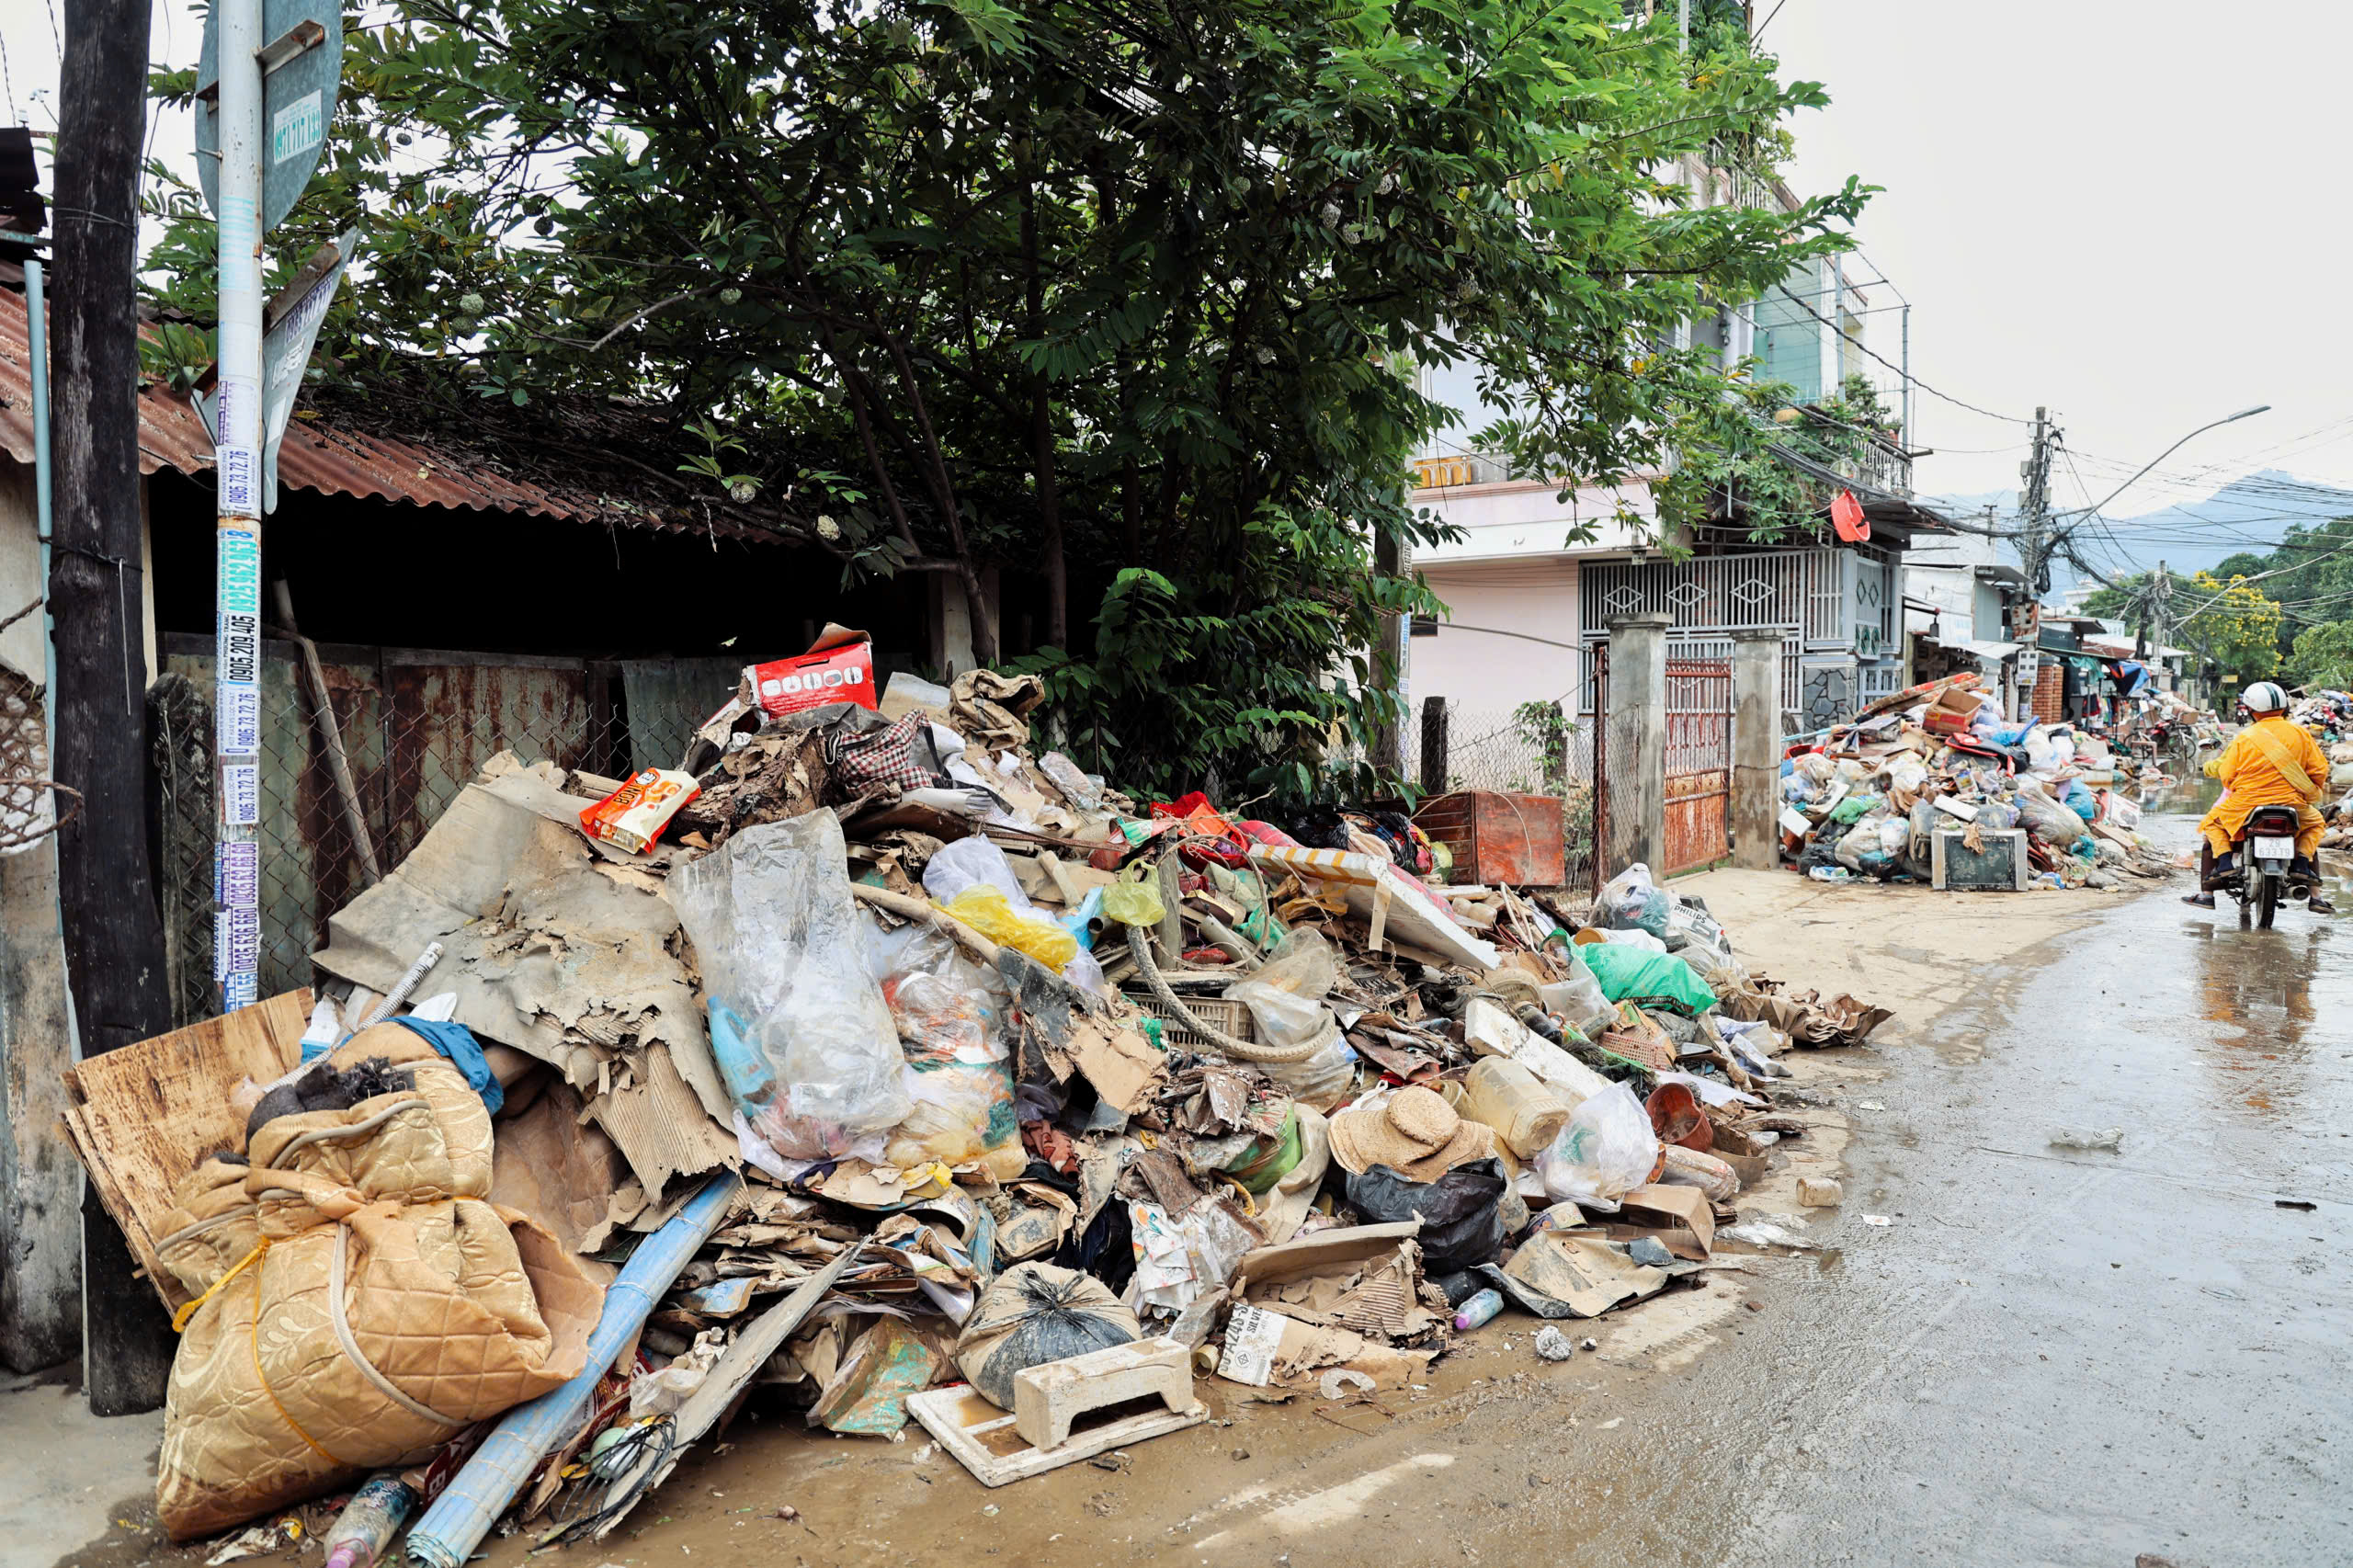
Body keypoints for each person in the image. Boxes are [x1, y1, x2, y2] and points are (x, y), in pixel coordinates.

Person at [2184, 680, 2334, 912]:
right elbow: (2319, 771)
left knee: (2212, 823)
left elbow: (2227, 773)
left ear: (2252, 710)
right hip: (2292, 804)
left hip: (2247, 804)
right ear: (2284, 707)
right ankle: (2306, 874)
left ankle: (2218, 874)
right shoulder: (2300, 734)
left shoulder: (2245, 737)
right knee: (2314, 826)